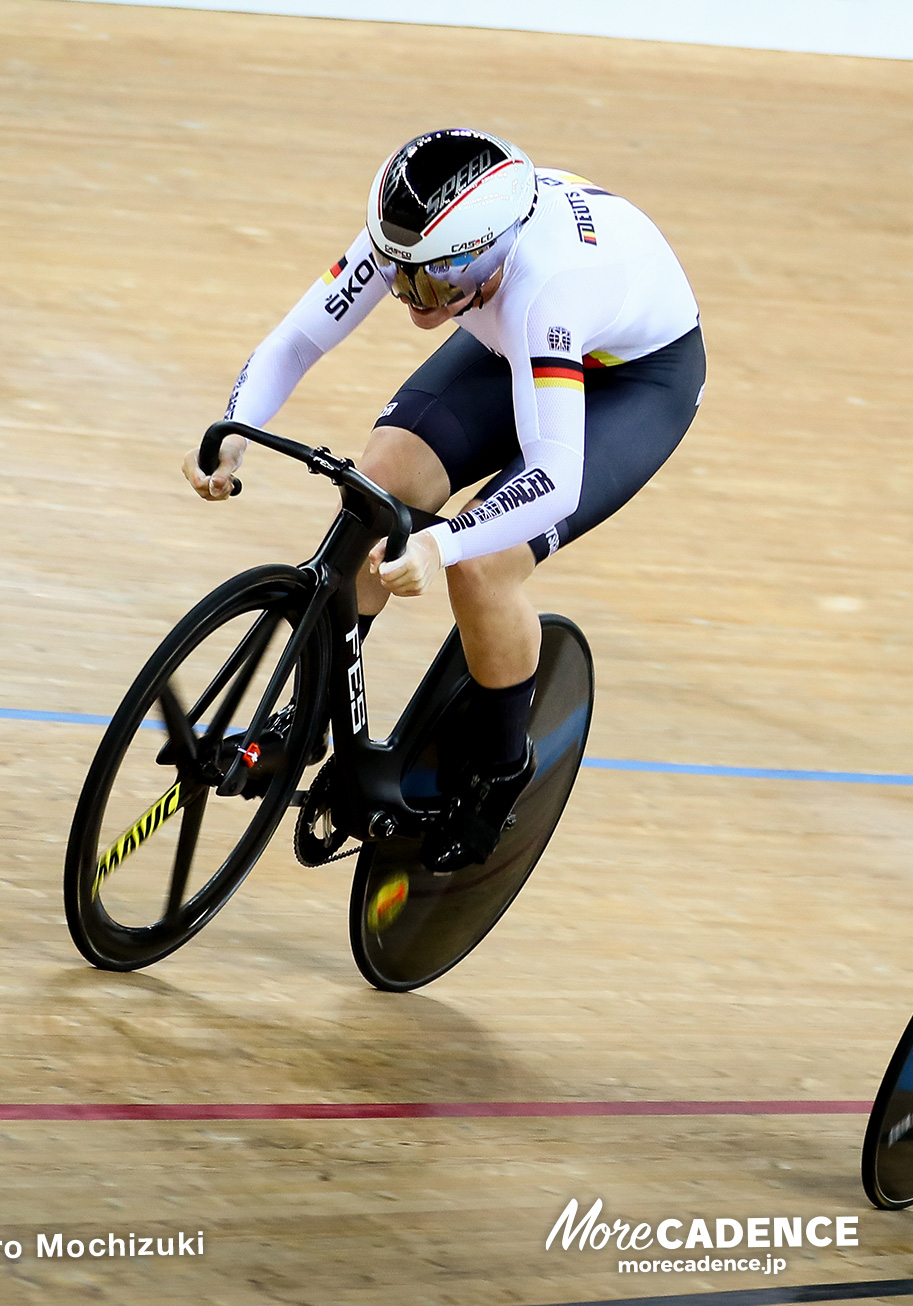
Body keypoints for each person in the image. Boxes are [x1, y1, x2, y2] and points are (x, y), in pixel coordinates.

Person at [184, 127, 704, 869]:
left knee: (482, 566)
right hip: (517, 347)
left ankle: (500, 776)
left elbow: (554, 478)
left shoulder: (542, 291)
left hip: (635, 380)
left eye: (426, 285)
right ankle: (314, 716)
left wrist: (442, 541)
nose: (407, 298)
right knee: (384, 483)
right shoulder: (412, 236)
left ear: (488, 258)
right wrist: (237, 427)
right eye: (398, 278)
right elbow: (297, 340)